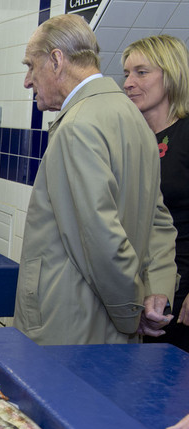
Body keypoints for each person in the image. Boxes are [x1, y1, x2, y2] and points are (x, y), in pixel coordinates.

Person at [13, 14, 178, 345]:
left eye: (32, 66)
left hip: (72, 326)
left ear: (57, 60)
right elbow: (159, 220)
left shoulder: (77, 126)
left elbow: (102, 240)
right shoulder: (132, 117)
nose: (28, 81)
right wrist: (157, 289)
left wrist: (131, 312)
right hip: (110, 328)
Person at [122, 35, 189, 353]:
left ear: (172, 73)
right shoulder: (132, 141)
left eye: (141, 72)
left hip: (181, 291)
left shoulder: (186, 134)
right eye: (126, 74)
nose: (129, 83)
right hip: (138, 290)